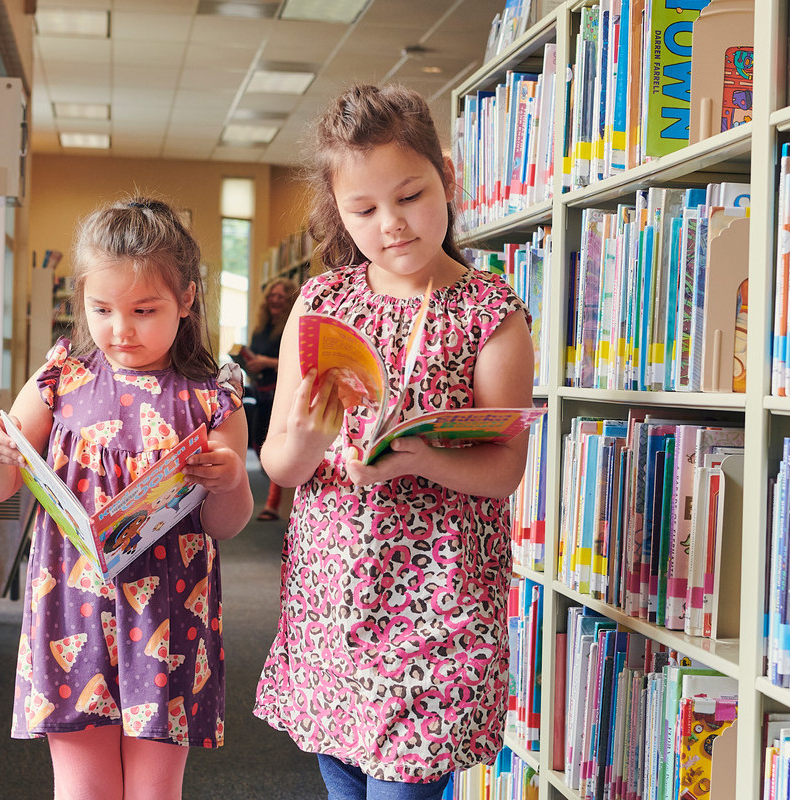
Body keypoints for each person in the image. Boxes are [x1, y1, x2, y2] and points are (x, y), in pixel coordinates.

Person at [252, 84, 534, 799]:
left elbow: (505, 471)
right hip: (335, 602)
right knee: (341, 779)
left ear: (447, 175)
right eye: (364, 210)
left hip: (437, 608)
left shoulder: (491, 312)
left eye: (409, 196)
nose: (391, 226)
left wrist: (420, 458)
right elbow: (279, 464)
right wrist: (311, 438)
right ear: (339, 212)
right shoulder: (322, 304)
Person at [0, 196, 253, 800]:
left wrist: (227, 479)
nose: (121, 329)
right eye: (102, 309)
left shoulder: (212, 400)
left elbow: (227, 524)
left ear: (187, 300)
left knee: (154, 792)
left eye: (144, 310)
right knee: (82, 789)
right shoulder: (60, 380)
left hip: (171, 616)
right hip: (69, 608)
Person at [241, 276, 299, 521]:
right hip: (261, 390)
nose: (275, 300)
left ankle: (273, 503)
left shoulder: (292, 325)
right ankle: (272, 486)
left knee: (277, 440)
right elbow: (255, 355)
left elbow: (296, 361)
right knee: (258, 442)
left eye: (280, 297)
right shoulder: (261, 327)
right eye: (272, 296)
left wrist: (267, 362)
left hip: (281, 391)